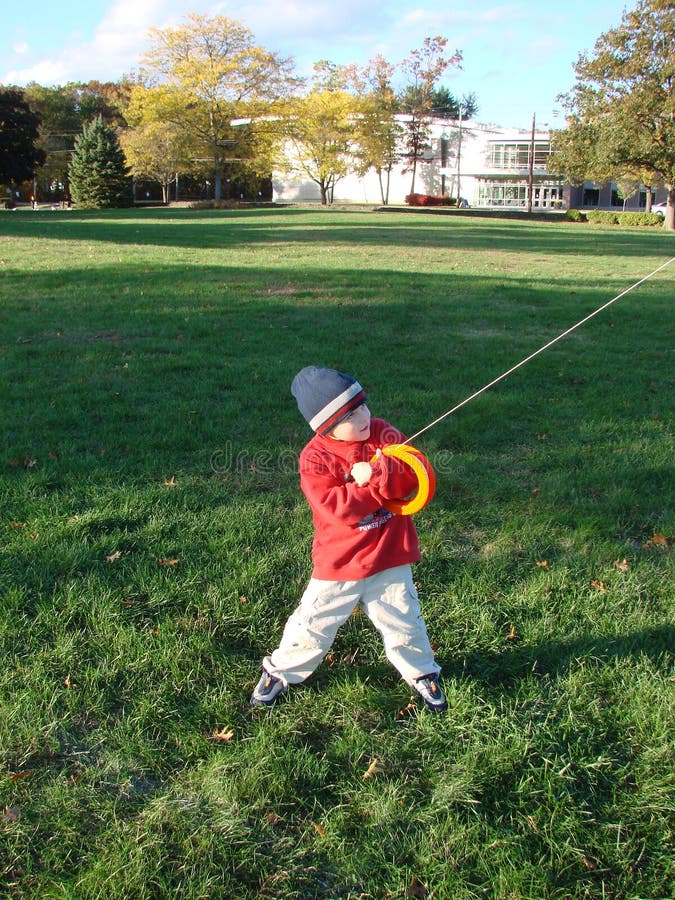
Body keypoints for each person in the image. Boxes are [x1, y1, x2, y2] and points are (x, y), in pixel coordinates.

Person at [250, 366, 446, 712]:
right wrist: (370, 484)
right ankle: (281, 670)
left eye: (363, 406)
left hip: (389, 556)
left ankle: (423, 672)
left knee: (404, 619)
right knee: (313, 622)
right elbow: (337, 508)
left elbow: (410, 476)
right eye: (350, 415)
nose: (364, 417)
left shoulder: (383, 434)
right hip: (340, 563)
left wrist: (380, 471)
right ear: (326, 427)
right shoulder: (315, 458)